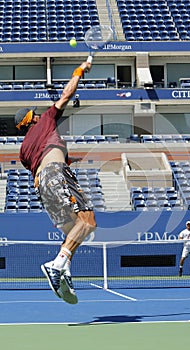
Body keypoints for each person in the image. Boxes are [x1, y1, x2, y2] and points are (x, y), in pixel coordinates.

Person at [15, 60, 97, 304]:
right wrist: (80, 70)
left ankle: (64, 271)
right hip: (55, 174)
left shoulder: (24, 150)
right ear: (31, 119)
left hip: (43, 186)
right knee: (88, 222)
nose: (40, 113)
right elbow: (66, 94)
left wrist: (69, 160)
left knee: (75, 231)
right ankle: (57, 265)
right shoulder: (45, 121)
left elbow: (42, 162)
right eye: (35, 113)